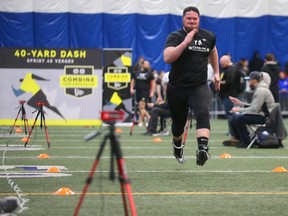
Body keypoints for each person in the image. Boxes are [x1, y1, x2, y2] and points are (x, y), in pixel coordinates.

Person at [163, 6, 220, 166]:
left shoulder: (208, 36)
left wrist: (216, 72)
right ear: (183, 19)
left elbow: (213, 51)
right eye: (189, 18)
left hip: (198, 85)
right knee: (178, 124)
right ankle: (177, 146)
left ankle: (202, 149)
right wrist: (185, 42)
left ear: (199, 20)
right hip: (177, 87)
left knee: (202, 112)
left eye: (195, 18)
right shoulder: (175, 36)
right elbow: (167, 58)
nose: (192, 21)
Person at [223, 71, 275, 148]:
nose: (248, 82)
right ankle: (238, 139)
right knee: (235, 117)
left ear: (254, 80)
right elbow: (254, 106)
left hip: (265, 118)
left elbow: (254, 109)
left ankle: (246, 141)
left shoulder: (261, 91)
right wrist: (240, 103)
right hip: (261, 115)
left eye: (249, 80)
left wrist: (239, 110)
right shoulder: (260, 89)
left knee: (239, 118)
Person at [130, 60, 155, 126]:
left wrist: (152, 91)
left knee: (142, 106)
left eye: (148, 64)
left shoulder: (149, 73)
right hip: (138, 92)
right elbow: (133, 81)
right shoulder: (136, 72)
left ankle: (143, 120)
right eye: (146, 64)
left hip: (145, 92)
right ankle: (147, 119)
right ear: (143, 64)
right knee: (139, 108)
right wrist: (131, 88)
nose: (147, 65)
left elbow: (153, 83)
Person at [219, 55, 239, 135]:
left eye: (223, 64)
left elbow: (229, 81)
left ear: (227, 62)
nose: (221, 66)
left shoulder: (231, 69)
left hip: (229, 95)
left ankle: (233, 132)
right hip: (226, 95)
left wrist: (219, 82)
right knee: (229, 114)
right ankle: (231, 131)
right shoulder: (226, 69)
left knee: (231, 113)